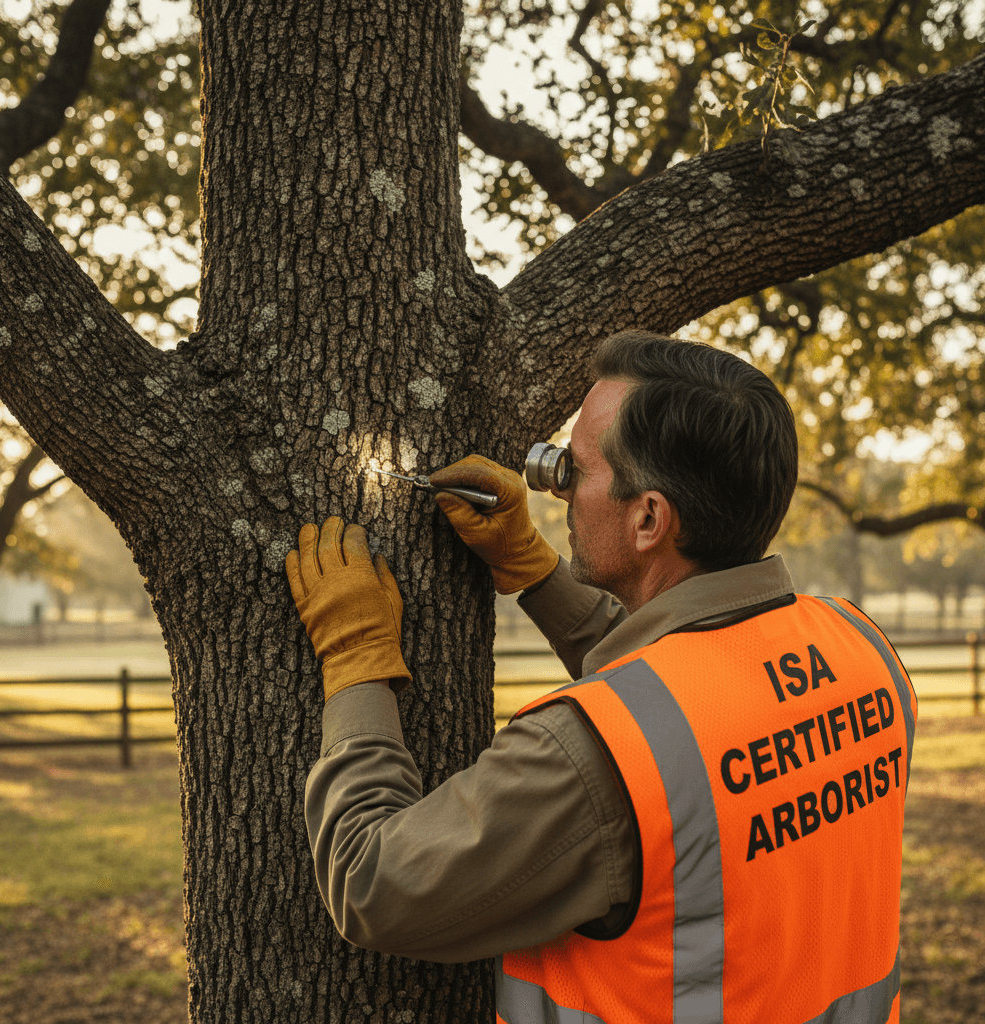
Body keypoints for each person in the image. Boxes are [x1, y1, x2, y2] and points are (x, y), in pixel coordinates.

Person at [287, 330, 917, 1024]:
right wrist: (533, 569)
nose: (556, 492)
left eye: (573, 472)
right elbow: (691, 693)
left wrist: (355, 658)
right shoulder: (862, 651)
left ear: (648, 518)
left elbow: (373, 885)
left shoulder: (585, 756)